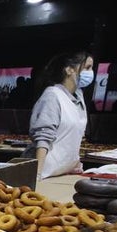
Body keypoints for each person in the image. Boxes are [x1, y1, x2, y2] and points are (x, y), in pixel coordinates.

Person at [30, 50, 93, 179]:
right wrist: (37, 175)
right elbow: (43, 136)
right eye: (87, 67)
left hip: (64, 171)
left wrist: (75, 162)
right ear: (69, 70)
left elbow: (74, 137)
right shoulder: (52, 95)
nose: (91, 72)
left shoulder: (79, 97)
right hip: (46, 172)